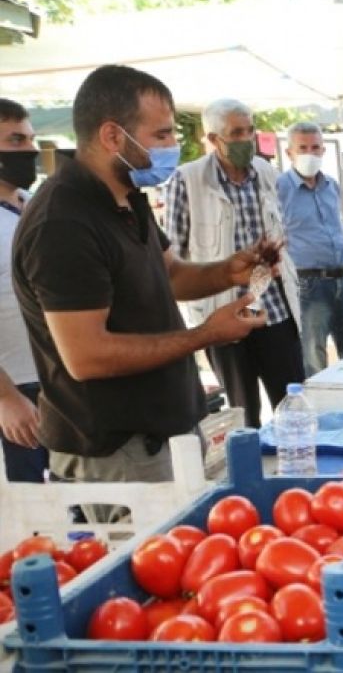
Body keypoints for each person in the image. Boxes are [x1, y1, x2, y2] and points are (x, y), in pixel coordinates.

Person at [11, 64, 268, 490]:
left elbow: (169, 275)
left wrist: (228, 271)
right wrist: (204, 334)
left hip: (167, 432)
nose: (174, 146)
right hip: (118, 452)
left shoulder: (127, 195)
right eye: (162, 135)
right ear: (113, 136)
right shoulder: (63, 221)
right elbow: (87, 355)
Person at [167, 98, 305, 427]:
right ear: (214, 139)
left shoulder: (267, 172)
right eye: (236, 133)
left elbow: (279, 226)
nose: (246, 139)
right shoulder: (187, 180)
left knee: (293, 404)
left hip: (275, 309)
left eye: (250, 131)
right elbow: (174, 255)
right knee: (244, 415)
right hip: (224, 313)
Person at [277, 121, 343, 377]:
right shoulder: (279, 189)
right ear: (289, 153)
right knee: (313, 359)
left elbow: (337, 225)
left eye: (315, 147)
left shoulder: (331, 186)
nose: (310, 153)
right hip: (308, 283)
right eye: (303, 148)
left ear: (323, 151)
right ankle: (321, 412)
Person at [0, 98, 46, 483]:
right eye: (16, 141)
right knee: (34, 512)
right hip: (14, 389)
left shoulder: (32, 205)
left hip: (55, 382)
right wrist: (6, 399)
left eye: (31, 139)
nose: (29, 150)